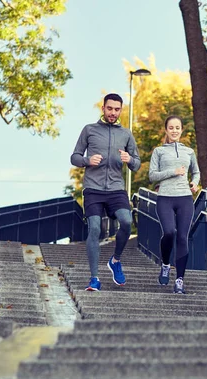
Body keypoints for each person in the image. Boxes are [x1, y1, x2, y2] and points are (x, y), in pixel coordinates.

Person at [70, 93, 141, 291]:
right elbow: (74, 157)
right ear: (103, 108)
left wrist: (129, 160)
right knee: (94, 228)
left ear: (120, 110)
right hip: (93, 188)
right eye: (109, 108)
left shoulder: (126, 134)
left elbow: (137, 164)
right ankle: (94, 278)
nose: (113, 113)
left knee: (126, 222)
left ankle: (115, 260)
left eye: (117, 109)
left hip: (116, 189)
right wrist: (86, 160)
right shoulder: (89, 130)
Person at [149, 116, 200, 294]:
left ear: (182, 130)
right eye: (171, 128)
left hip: (185, 198)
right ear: (166, 130)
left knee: (182, 237)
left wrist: (194, 183)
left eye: (177, 127)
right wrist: (173, 172)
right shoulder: (159, 151)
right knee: (169, 232)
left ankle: (179, 280)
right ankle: (165, 264)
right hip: (165, 198)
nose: (175, 130)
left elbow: (196, 171)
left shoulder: (189, 152)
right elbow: (152, 175)